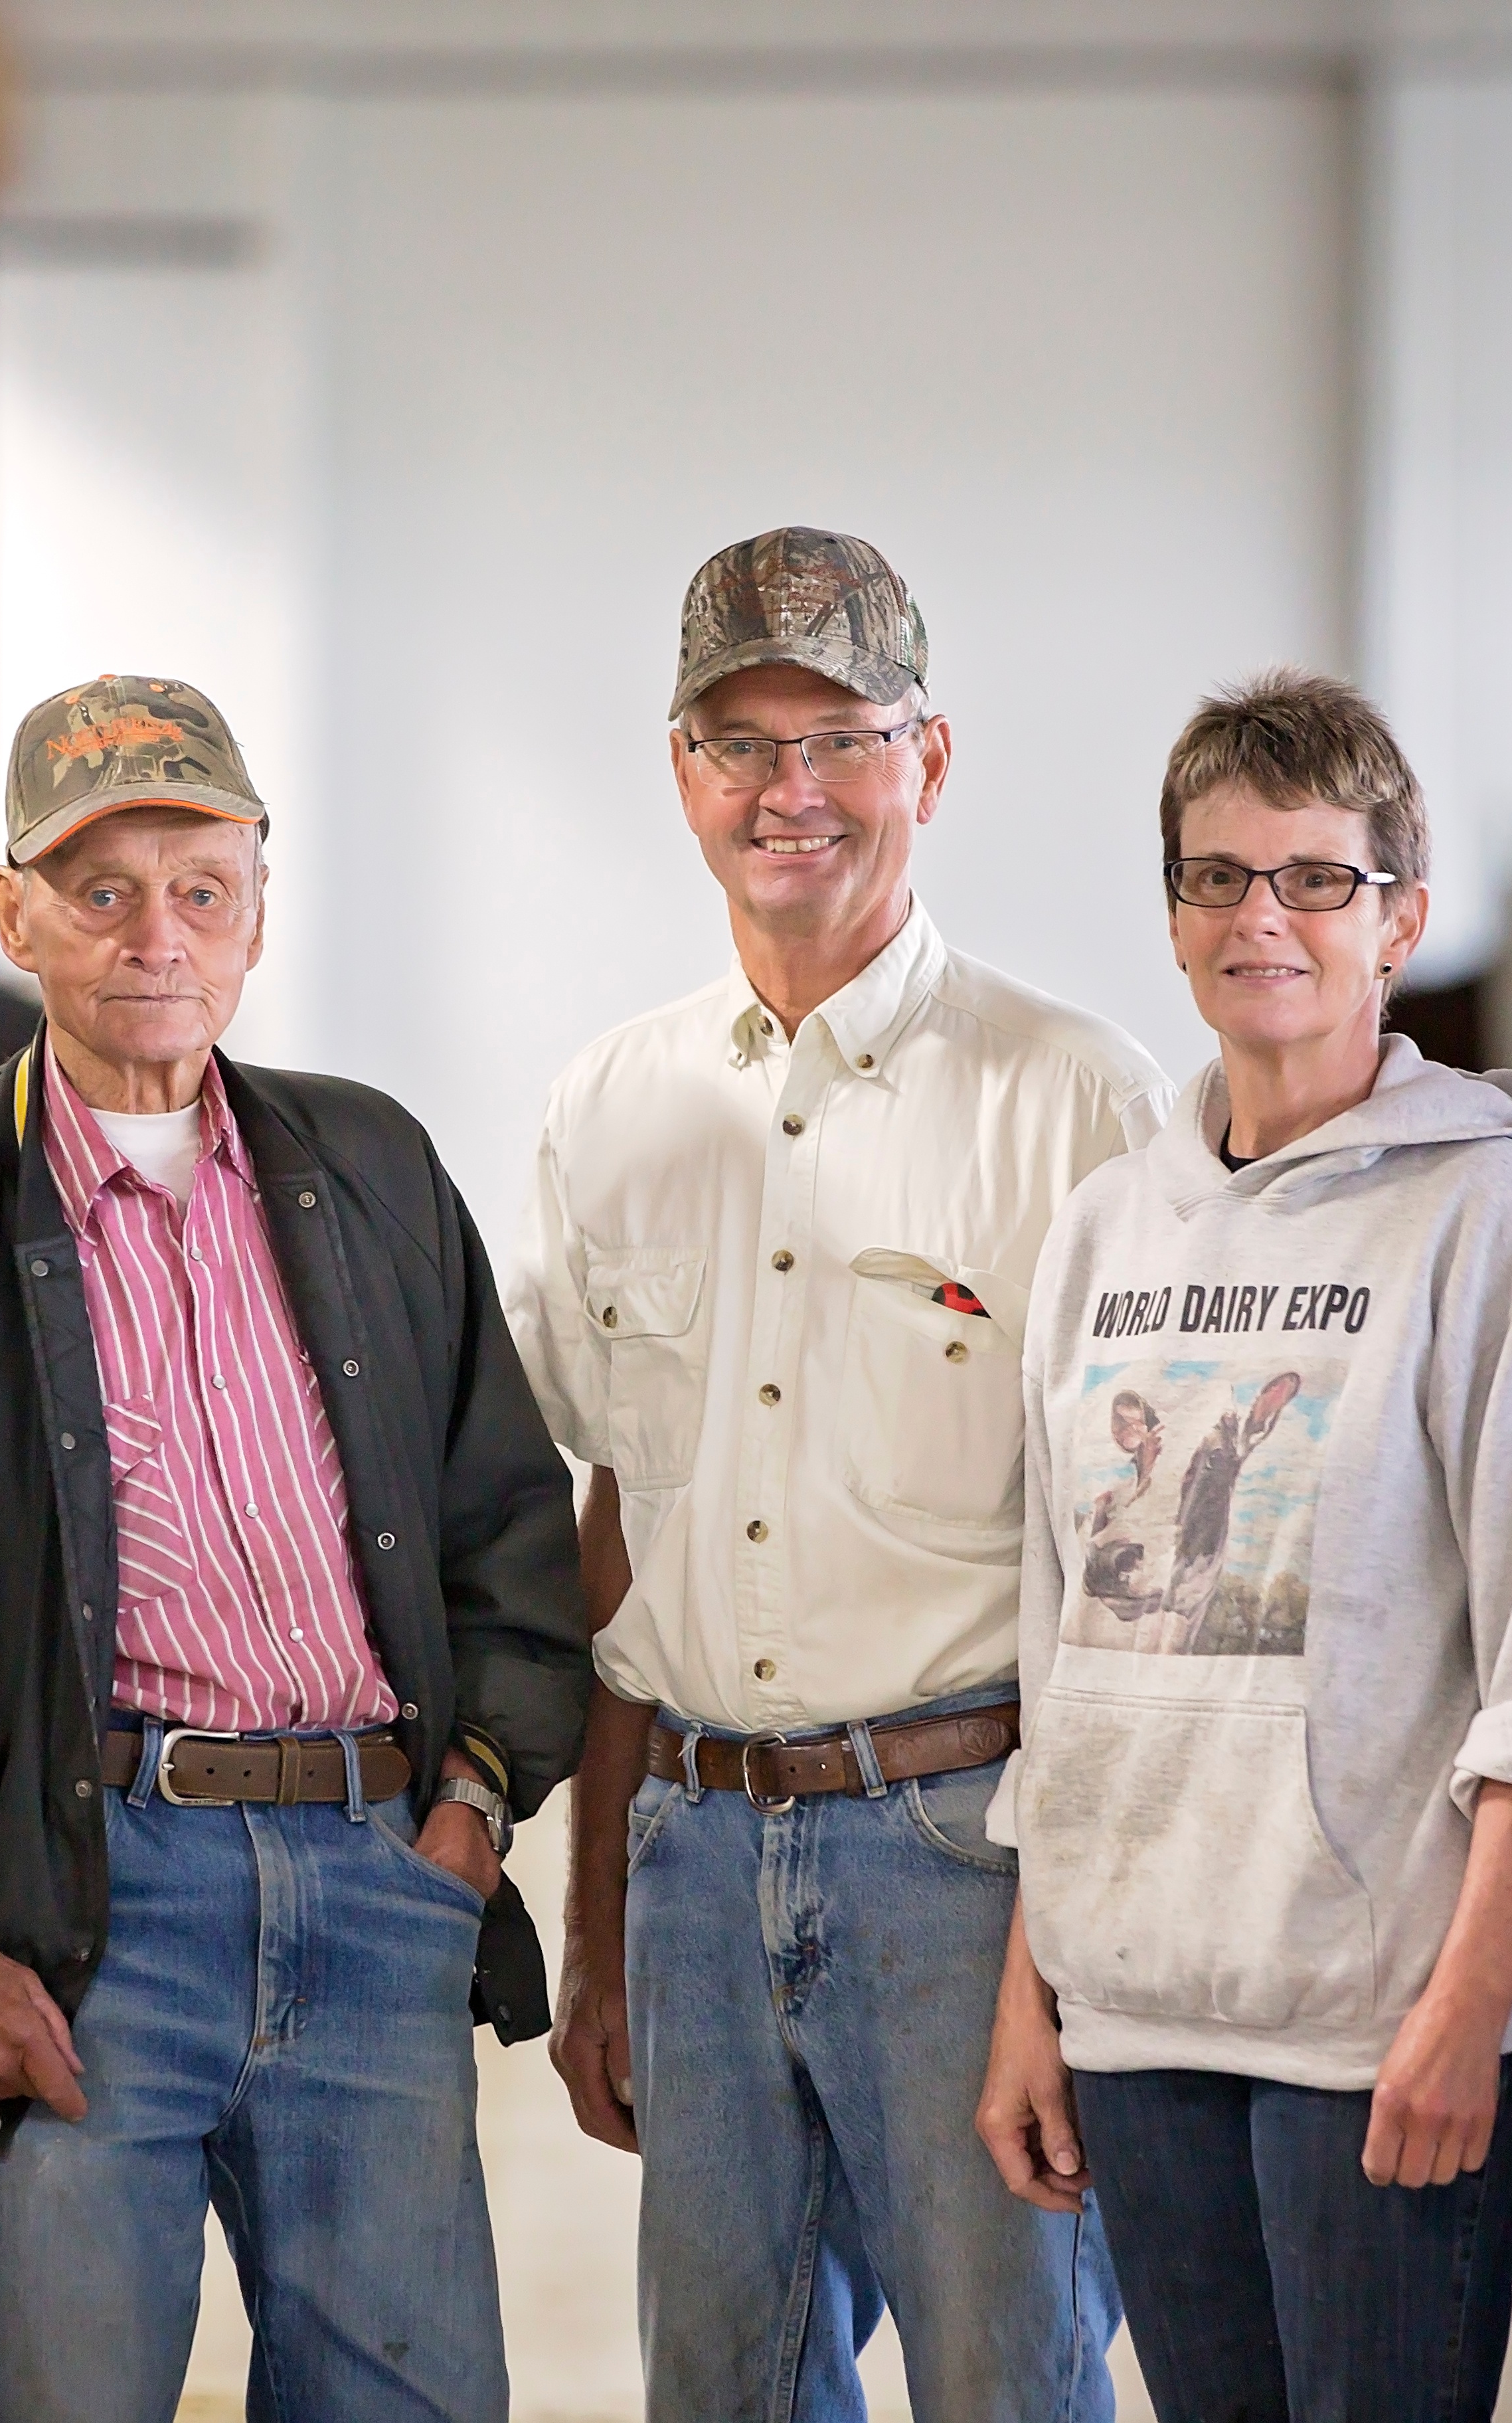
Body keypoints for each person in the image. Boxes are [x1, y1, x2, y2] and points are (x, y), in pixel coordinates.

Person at [0, 674, 587, 2423]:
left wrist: (471, 1808)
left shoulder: (370, 1167)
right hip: (77, 1916)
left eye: (201, 886)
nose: (157, 933)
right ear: (13, 915)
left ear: (260, 912)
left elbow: (506, 1527)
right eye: (100, 887)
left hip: (379, 1886)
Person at [513, 527, 1163, 2417]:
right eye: (741, 741)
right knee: (723, 2390)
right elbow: (618, 1521)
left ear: (928, 764)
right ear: (681, 770)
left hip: (965, 1866)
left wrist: (1065, 1965)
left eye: (842, 737)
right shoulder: (610, 1110)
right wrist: (604, 1921)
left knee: (1003, 2380)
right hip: (698, 1861)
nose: (789, 790)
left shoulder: (1076, 1101)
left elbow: (1127, 1580)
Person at [974, 672, 1512, 2420]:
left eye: (1313, 878)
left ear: (1401, 917)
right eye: (1216, 877)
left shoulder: (1492, 1220)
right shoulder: (1110, 1225)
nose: (1258, 916)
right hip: (1138, 2016)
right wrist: (1035, 2001)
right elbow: (1061, 1649)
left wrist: (1463, 2008)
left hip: (1381, 2024)